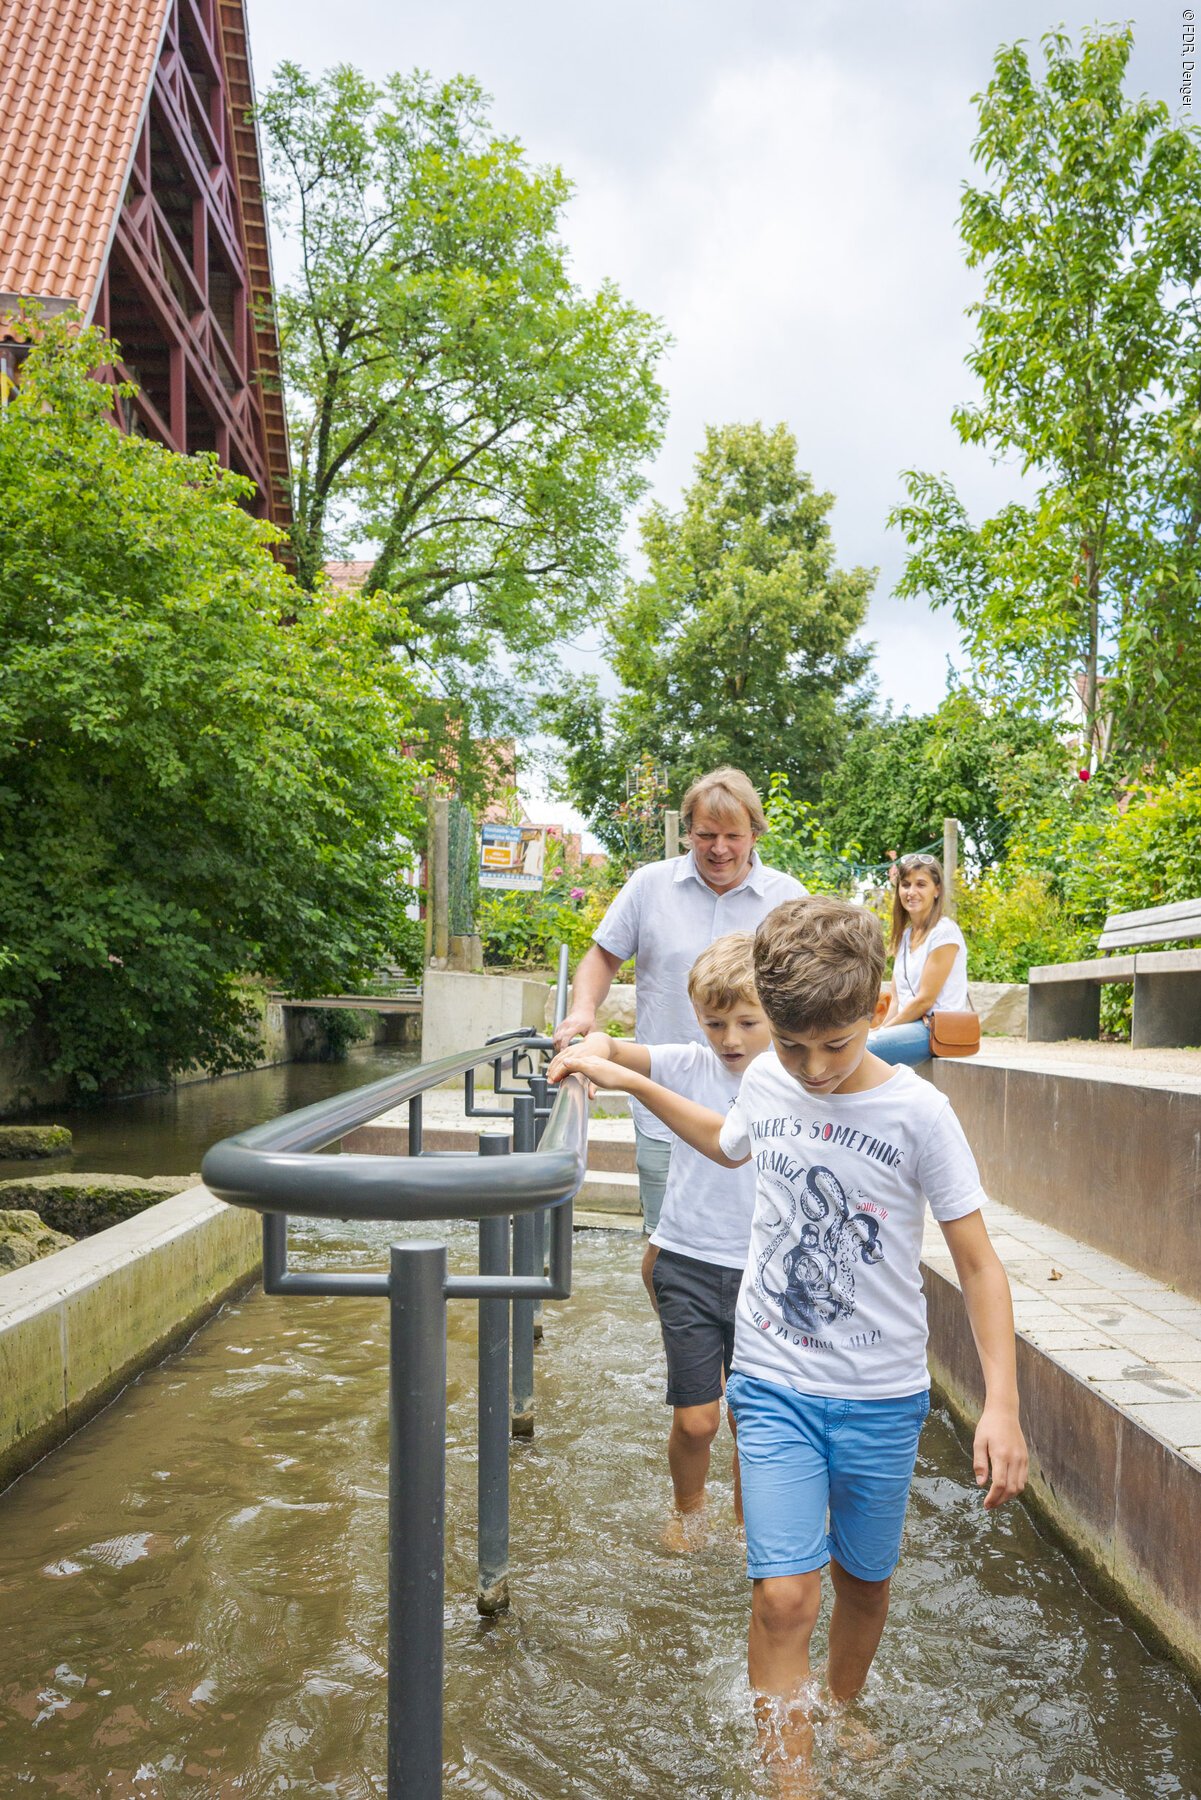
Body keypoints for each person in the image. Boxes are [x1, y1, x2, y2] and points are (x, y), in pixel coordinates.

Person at [556, 897, 1027, 1787]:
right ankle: (789, 1781)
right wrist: (631, 1082)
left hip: (881, 1395)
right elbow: (729, 1143)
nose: (810, 1068)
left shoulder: (919, 1115)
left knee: (864, 1583)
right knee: (781, 1596)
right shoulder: (766, 1080)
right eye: (791, 1044)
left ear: (876, 1009)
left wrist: (999, 1405)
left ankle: (841, 1707)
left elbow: (978, 1265)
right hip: (773, 1384)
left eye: (834, 1045)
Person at [549, 934, 770, 1545]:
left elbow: (732, 1142)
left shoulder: (787, 1080)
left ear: (776, 1014)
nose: (729, 1039)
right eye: (714, 1023)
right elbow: (615, 1045)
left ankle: (749, 1523)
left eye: (747, 1022)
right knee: (697, 1420)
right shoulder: (690, 1064)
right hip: (689, 1264)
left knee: (753, 1419)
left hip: (764, 1273)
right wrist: (590, 1050)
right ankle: (688, 1509)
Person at [552, 767, 805, 1273]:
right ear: (687, 831)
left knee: (766, 1245)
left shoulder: (787, 898)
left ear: (756, 833)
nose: (719, 849)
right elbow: (602, 957)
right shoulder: (650, 885)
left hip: (764, 1108)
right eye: (706, 835)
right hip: (664, 1107)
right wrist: (582, 1011)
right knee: (666, 1250)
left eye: (733, 836)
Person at [870, 851, 969, 1067]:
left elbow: (925, 1000)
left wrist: (883, 1031)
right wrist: (877, 1030)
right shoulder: (905, 936)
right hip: (910, 1025)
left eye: (921, 884)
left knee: (863, 1050)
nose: (911, 892)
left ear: (937, 890)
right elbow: (896, 1000)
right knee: (856, 1044)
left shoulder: (944, 932)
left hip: (934, 1028)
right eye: (905, 885)